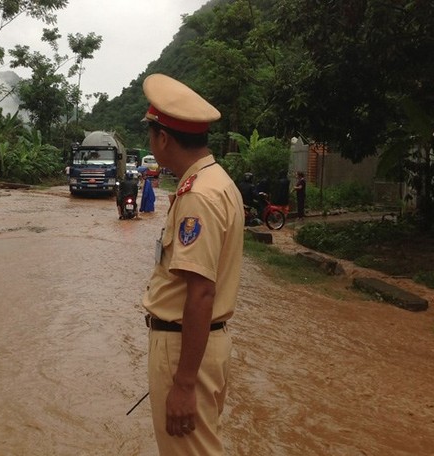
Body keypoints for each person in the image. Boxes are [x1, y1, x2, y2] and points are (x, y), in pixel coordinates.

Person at [140, 73, 244, 455]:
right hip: (201, 346)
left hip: (184, 348)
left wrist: (183, 383)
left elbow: (201, 292)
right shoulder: (218, 181)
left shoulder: (198, 196)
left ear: (163, 138)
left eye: (151, 136)